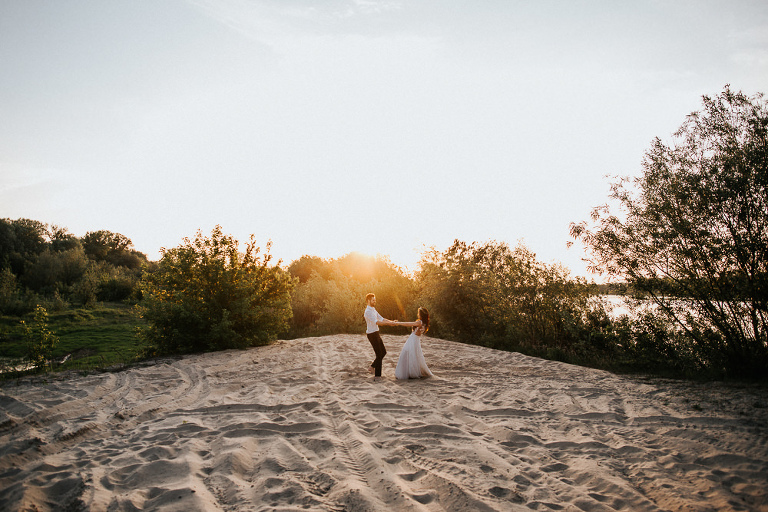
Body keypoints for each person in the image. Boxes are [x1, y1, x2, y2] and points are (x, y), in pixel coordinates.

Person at [393, 307, 433, 380]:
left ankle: (405, 373)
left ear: (421, 315)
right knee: (413, 356)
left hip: (413, 340)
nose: (417, 314)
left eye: (418, 313)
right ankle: (409, 372)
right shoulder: (424, 323)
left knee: (406, 354)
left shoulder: (419, 322)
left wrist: (398, 323)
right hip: (416, 341)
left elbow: (409, 324)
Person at [364, 293, 397, 379]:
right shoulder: (367, 312)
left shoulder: (373, 309)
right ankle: (377, 375)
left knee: (383, 352)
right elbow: (378, 322)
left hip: (376, 333)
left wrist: (391, 322)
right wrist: (389, 324)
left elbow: (381, 318)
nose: (375, 301)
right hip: (371, 334)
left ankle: (372, 367)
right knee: (379, 354)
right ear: (368, 300)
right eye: (373, 300)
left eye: (375, 300)